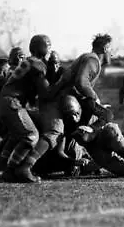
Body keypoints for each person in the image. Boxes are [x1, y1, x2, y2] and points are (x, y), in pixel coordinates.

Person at [13, 34, 114, 183]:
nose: (112, 53)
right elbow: (81, 82)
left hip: (65, 101)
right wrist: (95, 98)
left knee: (69, 133)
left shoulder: (87, 59)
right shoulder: (93, 59)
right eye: (111, 49)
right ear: (105, 48)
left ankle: (81, 154)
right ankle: (26, 166)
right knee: (105, 116)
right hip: (59, 102)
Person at [0, 35, 64, 183]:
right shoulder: (37, 64)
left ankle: (8, 170)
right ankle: (21, 169)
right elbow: (46, 93)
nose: (50, 50)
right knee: (31, 135)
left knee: (18, 135)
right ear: (42, 48)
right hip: (12, 103)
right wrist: (63, 81)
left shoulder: (30, 62)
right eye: (49, 46)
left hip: (6, 103)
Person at [62, 95, 124, 178]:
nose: (74, 119)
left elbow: (108, 115)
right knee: (120, 170)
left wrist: (92, 128)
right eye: (69, 116)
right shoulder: (64, 125)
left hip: (104, 131)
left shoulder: (87, 103)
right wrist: (73, 162)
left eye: (76, 114)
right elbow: (64, 147)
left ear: (79, 107)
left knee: (120, 143)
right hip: (93, 147)